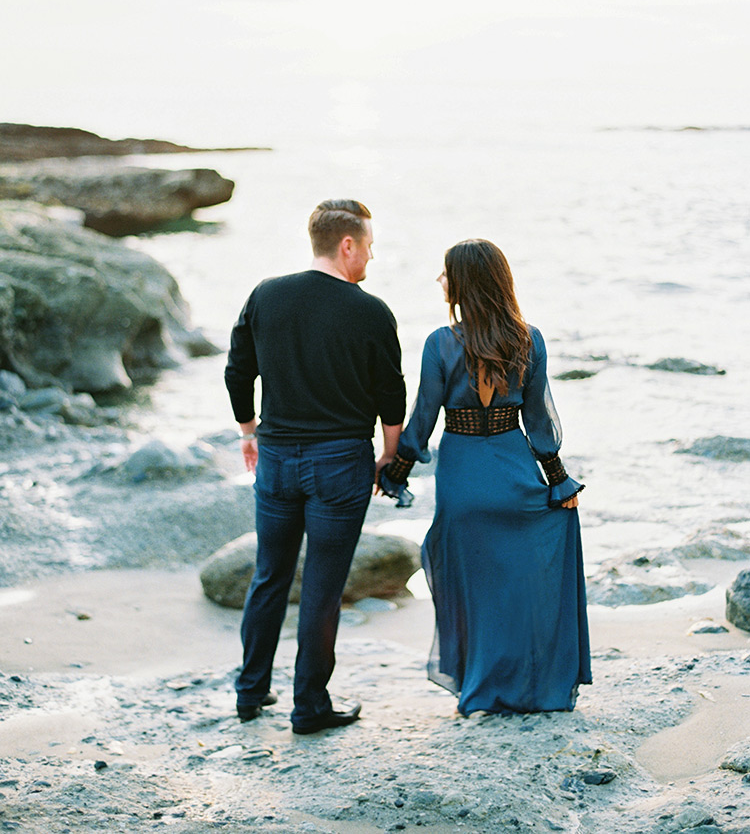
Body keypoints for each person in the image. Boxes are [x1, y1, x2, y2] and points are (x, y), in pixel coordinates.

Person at [379, 239, 591, 716]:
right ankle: (534, 685)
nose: (440, 281)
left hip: (463, 477)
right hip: (514, 470)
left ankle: (480, 687)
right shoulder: (528, 338)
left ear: (464, 282)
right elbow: (537, 420)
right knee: (521, 583)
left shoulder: (440, 342)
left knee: (471, 584)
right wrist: (558, 481)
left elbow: (423, 419)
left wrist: (396, 471)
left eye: (446, 273)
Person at [224, 199, 406, 734]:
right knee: (323, 589)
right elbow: (390, 395)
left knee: (269, 576)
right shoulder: (371, 310)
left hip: (278, 460)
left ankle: (250, 692)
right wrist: (390, 453)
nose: (371, 258)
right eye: (368, 246)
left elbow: (238, 372)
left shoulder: (266, 294)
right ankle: (309, 707)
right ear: (346, 244)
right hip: (339, 465)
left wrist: (250, 432)